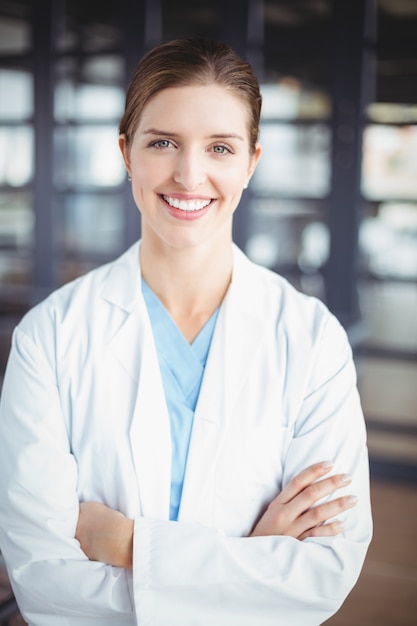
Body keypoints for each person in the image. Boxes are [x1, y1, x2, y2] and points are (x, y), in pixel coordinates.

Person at [0, 37, 372, 626]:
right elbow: (43, 581)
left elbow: (322, 573)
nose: (189, 175)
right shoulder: (50, 336)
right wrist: (248, 562)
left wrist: (123, 544)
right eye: (163, 142)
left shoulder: (310, 338)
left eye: (220, 147)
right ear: (127, 152)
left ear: (250, 162)